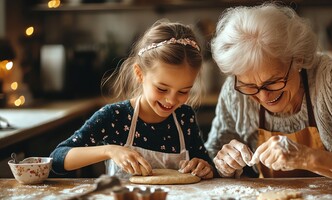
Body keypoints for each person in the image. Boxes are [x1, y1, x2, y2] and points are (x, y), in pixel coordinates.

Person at [205, 3, 332, 190]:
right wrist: (223, 164)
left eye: (273, 81)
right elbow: (209, 157)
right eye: (250, 86)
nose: (264, 95)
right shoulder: (235, 92)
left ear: (298, 59)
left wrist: (307, 158)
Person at [50, 21, 214, 179]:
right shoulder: (115, 116)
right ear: (140, 74)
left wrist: (203, 167)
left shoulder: (184, 117)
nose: (171, 100)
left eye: (183, 91)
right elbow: (57, 158)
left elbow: (207, 165)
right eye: (162, 89)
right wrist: (110, 150)